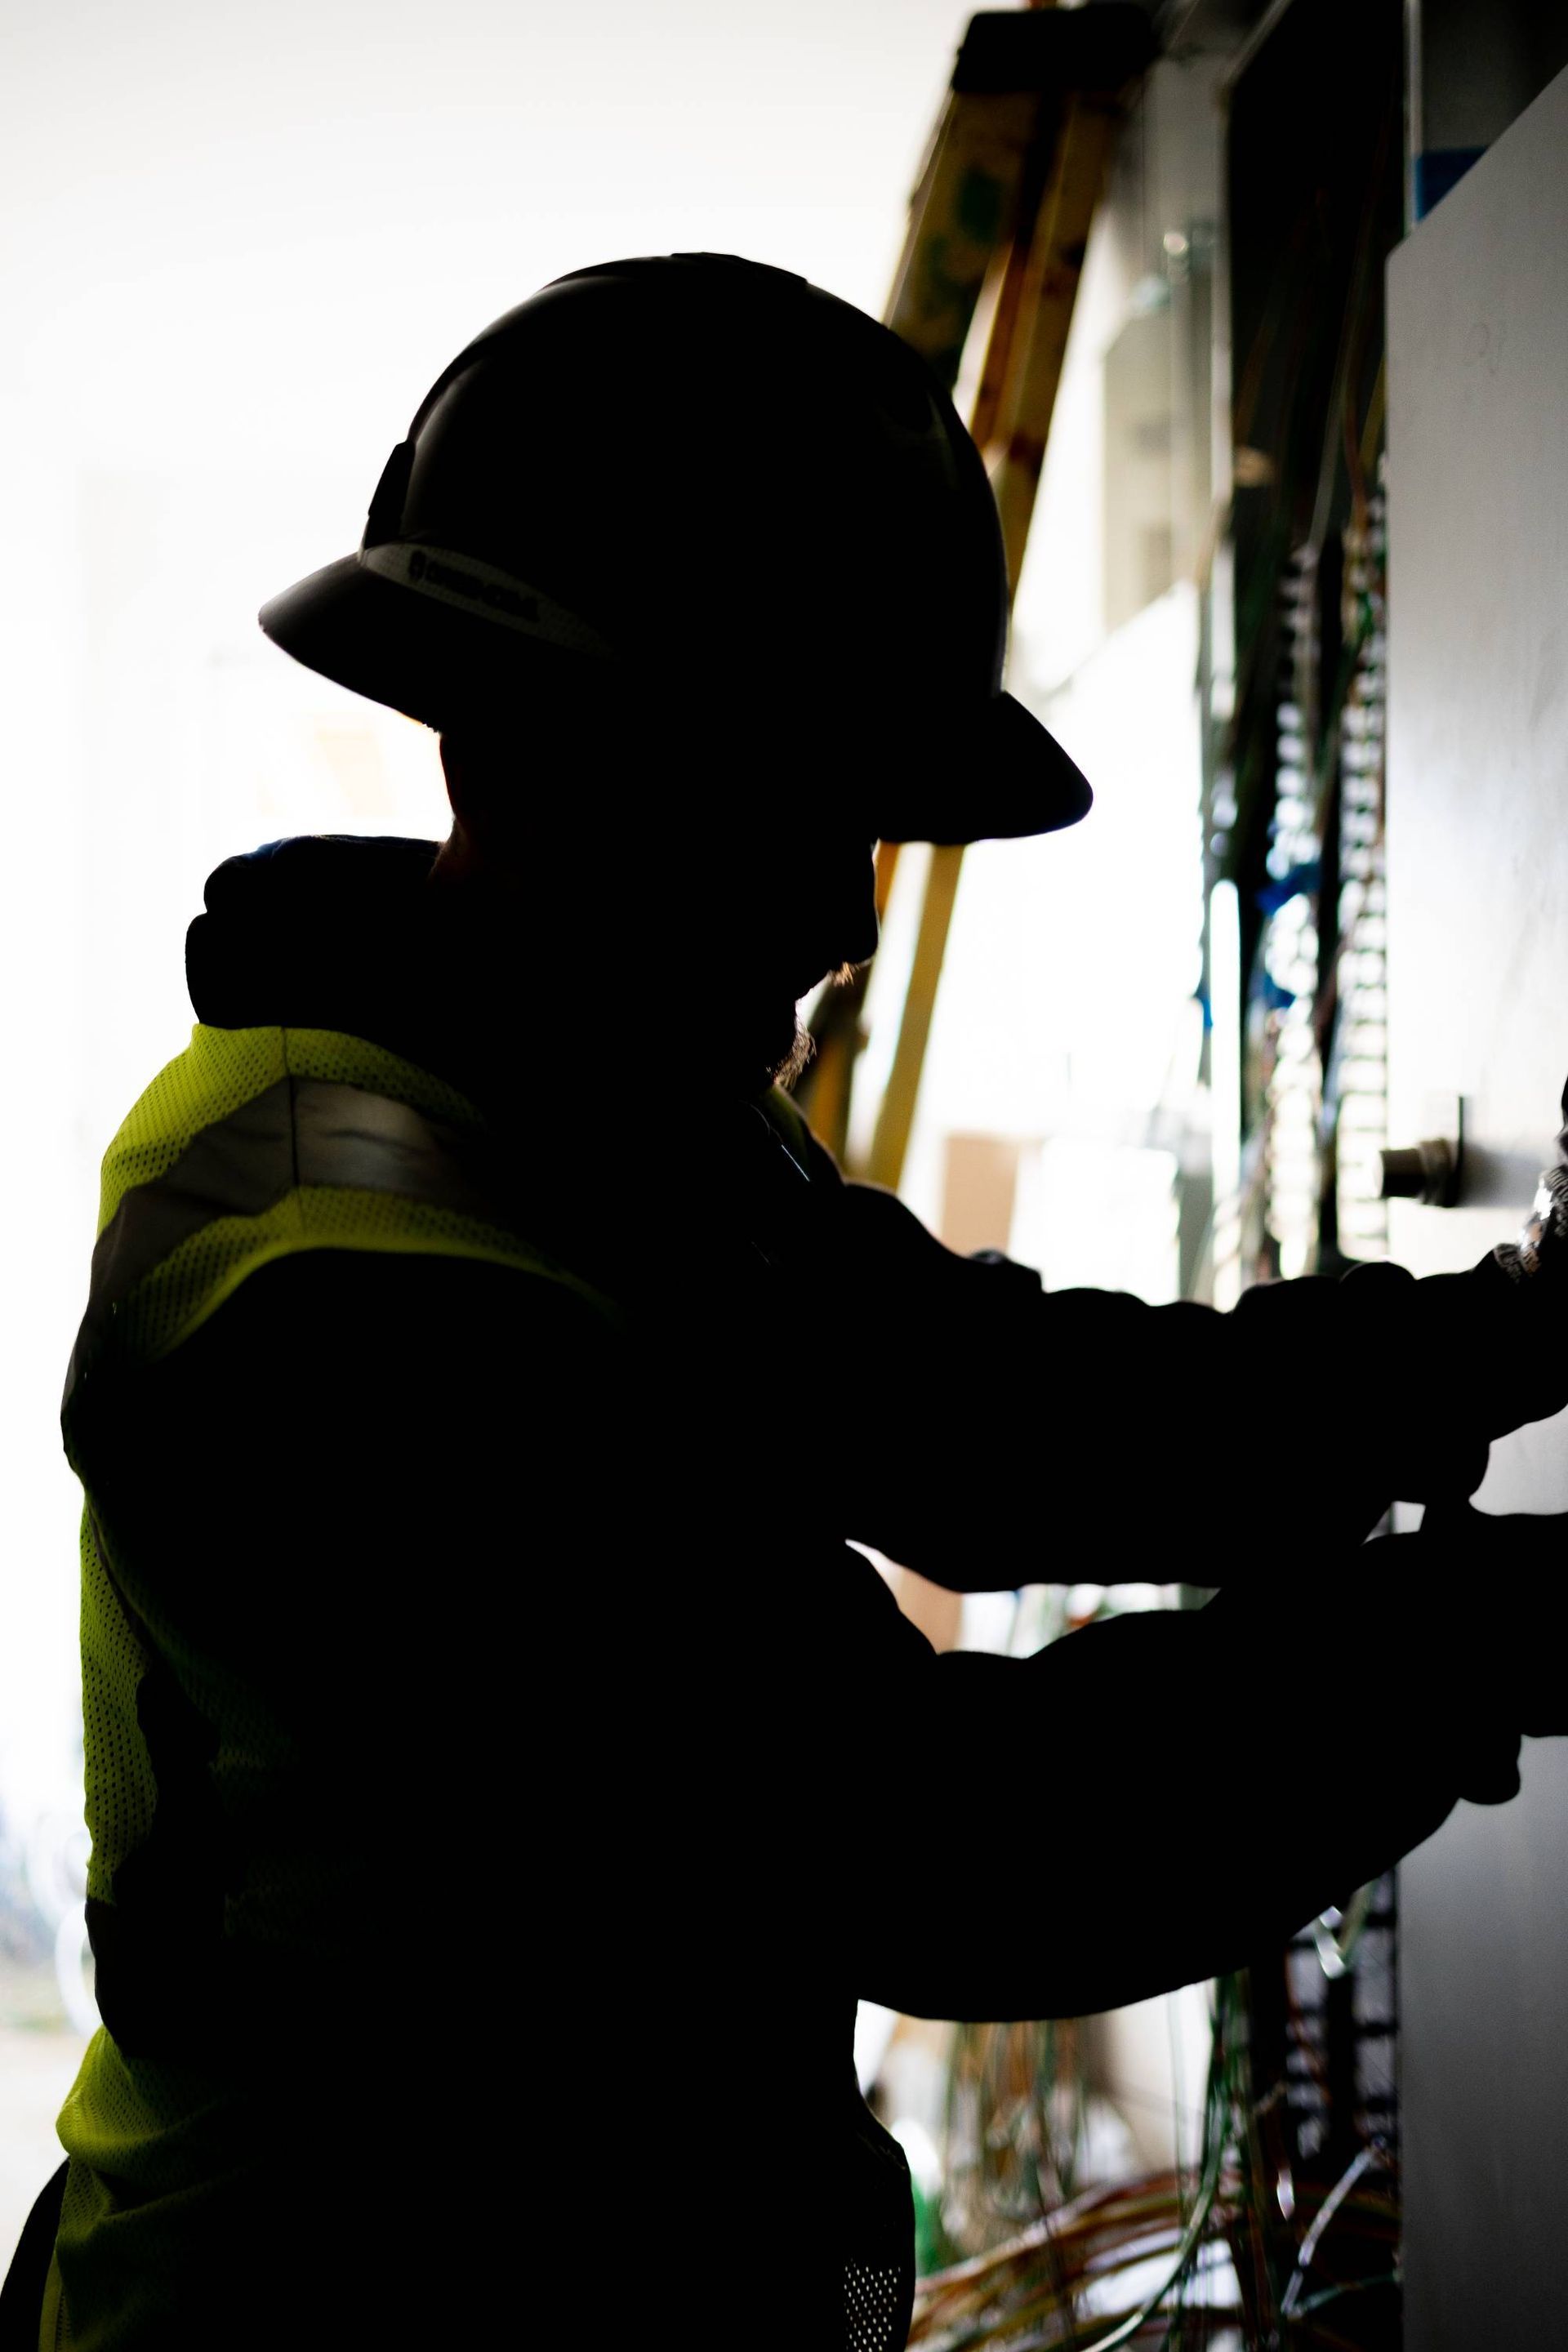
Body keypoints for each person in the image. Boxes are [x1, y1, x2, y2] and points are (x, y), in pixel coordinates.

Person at [16, 255, 1567, 2352]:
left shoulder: (592, 1125)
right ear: (535, 747)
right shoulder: (333, 1299)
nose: (845, 915)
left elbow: (1004, 1422)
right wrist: (1488, 1634)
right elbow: (926, 1838)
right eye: (791, 808)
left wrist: (1518, 1328)